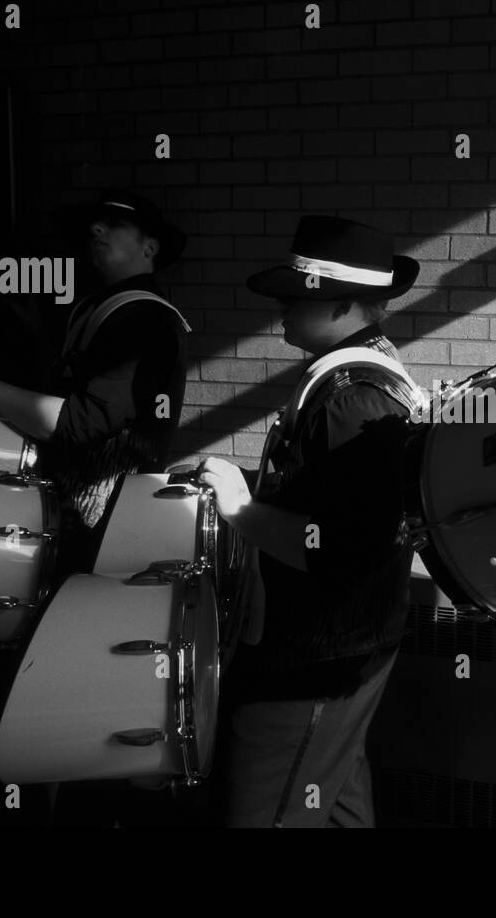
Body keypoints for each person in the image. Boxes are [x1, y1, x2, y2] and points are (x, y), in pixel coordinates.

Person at [197, 215, 422, 828]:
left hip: (312, 663)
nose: (282, 310)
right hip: (344, 648)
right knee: (333, 800)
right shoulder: (356, 375)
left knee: (259, 812)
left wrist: (240, 507)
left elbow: (339, 551)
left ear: (345, 304)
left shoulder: (354, 400)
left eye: (297, 299)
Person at [0, 188, 190, 574]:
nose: (97, 230)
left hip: (103, 529)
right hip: (62, 516)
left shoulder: (146, 319)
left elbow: (78, 423)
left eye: (115, 224)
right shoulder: (99, 308)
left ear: (150, 247)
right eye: (95, 224)